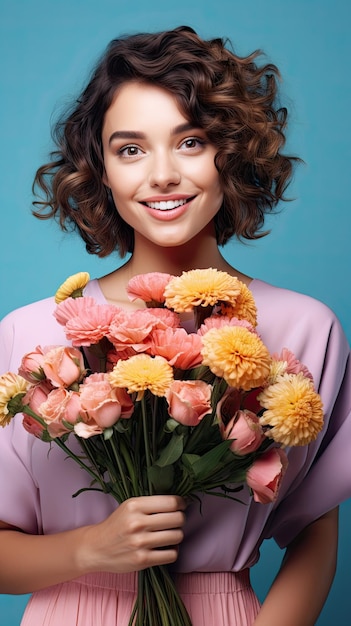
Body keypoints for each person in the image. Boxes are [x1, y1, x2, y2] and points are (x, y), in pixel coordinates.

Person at [0, 25, 350, 626]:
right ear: (101, 170)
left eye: (190, 142)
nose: (161, 175)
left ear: (231, 154)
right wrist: (88, 549)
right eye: (130, 149)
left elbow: (314, 532)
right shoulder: (32, 333)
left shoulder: (304, 327)